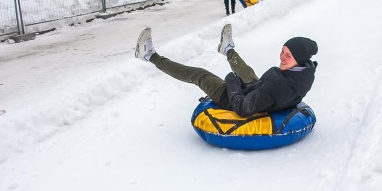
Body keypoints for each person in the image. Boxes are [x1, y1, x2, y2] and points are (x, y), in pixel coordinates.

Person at [134, 24, 318, 118]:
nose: (282, 57)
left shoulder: (276, 85)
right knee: (246, 71)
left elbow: (242, 108)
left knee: (199, 74)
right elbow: (270, 89)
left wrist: (232, 83)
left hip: (231, 100)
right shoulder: (305, 75)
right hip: (258, 91)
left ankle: (149, 56)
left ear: (298, 60)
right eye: (283, 51)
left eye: (288, 56)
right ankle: (227, 48)